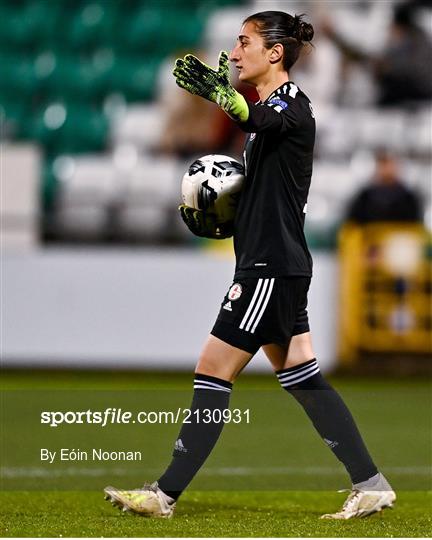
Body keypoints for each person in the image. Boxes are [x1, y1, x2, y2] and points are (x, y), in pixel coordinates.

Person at [104, 11, 396, 520]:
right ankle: (370, 484)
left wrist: (229, 101)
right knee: (303, 378)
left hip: (268, 268)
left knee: (213, 370)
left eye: (244, 43)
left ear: (274, 52)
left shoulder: (290, 106)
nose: (235, 53)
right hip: (276, 262)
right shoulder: (268, 111)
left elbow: (267, 119)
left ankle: (164, 494)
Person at [346, 150, 423, 224]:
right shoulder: (365, 197)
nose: (387, 169)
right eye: (383, 164)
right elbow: (353, 223)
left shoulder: (408, 198)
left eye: (390, 164)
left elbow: (416, 225)